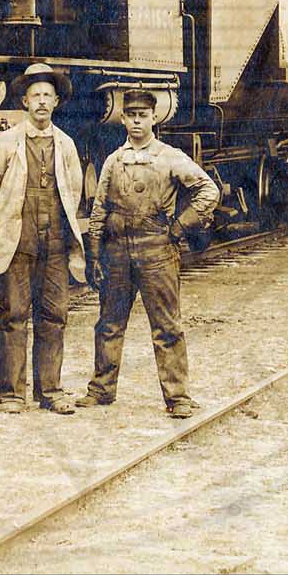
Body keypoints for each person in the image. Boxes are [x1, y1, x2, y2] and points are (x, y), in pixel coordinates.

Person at [79, 89, 219, 418]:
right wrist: (94, 253)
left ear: (154, 118)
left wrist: (181, 226)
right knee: (109, 324)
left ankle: (178, 397)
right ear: (123, 119)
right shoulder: (114, 161)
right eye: (131, 116)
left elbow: (208, 190)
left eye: (143, 116)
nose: (137, 122)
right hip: (117, 253)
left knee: (167, 327)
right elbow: (99, 209)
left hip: (157, 251)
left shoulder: (170, 157)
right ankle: (101, 389)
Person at [0, 63, 87, 415]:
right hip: (17, 243)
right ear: (24, 102)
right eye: (35, 95)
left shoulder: (66, 145)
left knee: (54, 315)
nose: (41, 101)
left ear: (56, 101)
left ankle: (50, 390)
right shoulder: (4, 144)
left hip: (54, 244)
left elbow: (73, 192)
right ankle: (11, 394)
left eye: (47, 95)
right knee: (13, 315)